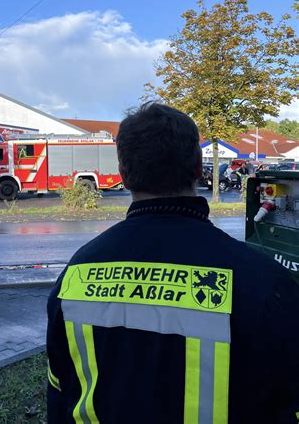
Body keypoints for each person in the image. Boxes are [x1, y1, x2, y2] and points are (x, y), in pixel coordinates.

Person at [46, 102, 298, 424]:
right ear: (197, 168)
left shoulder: (75, 274)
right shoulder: (264, 284)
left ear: (123, 174)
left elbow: (59, 391)